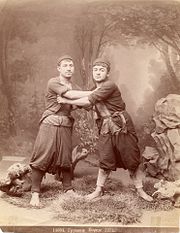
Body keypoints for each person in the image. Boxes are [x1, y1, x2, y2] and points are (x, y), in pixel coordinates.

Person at [57, 58, 153, 202]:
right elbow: (84, 104)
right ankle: (98, 190)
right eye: (95, 69)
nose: (98, 72)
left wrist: (67, 101)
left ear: (108, 73)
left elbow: (88, 101)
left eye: (102, 70)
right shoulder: (93, 90)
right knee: (105, 159)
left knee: (131, 158)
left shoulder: (109, 85)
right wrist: (64, 105)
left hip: (121, 126)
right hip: (105, 128)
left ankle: (140, 190)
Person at [29, 55, 92, 207]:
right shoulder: (53, 82)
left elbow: (81, 104)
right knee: (42, 156)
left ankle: (68, 189)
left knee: (65, 158)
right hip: (50, 121)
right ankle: (35, 193)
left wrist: (85, 101)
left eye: (71, 65)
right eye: (65, 65)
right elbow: (70, 96)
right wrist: (94, 93)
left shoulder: (74, 85)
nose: (69, 68)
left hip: (65, 123)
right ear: (59, 68)